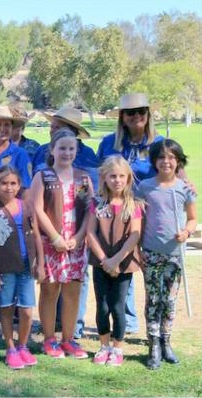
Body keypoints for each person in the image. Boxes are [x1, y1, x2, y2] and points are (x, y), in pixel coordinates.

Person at [97, 93, 164, 335]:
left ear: (148, 115)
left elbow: (172, 169)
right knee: (120, 260)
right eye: (131, 112)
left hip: (149, 212)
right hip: (115, 212)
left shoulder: (158, 142)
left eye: (141, 111)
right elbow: (100, 175)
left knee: (145, 265)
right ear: (122, 117)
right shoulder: (109, 143)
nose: (137, 116)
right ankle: (126, 320)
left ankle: (153, 328)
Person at [32, 106, 99, 339]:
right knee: (50, 291)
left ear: (76, 149)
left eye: (71, 148)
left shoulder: (83, 178)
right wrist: (55, 237)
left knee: (72, 292)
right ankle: (50, 338)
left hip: (76, 242)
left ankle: (69, 340)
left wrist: (80, 237)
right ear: (52, 149)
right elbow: (37, 209)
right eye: (62, 148)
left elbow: (91, 209)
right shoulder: (43, 176)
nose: (67, 153)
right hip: (52, 241)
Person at [136, 139, 197, 370]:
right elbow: (137, 222)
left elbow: (192, 218)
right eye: (161, 157)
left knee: (169, 300)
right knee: (153, 299)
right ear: (154, 161)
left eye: (171, 157)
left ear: (179, 161)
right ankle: (153, 345)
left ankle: (166, 340)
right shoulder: (145, 187)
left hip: (175, 254)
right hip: (152, 253)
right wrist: (137, 249)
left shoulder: (185, 189)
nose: (166, 161)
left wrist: (187, 231)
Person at [0, 166, 42, 369]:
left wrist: (40, 263)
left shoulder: (26, 206)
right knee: (6, 308)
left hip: (26, 266)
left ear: (19, 185)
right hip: (4, 267)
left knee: (26, 310)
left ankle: (23, 346)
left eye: (13, 183)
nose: (9, 187)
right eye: (4, 183)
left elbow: (36, 235)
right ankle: (10, 347)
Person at [85, 156, 143, 367]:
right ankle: (104, 346)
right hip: (101, 262)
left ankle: (117, 348)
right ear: (104, 178)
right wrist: (104, 260)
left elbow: (135, 235)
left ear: (128, 179)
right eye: (113, 176)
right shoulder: (97, 203)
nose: (117, 180)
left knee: (118, 307)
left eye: (121, 176)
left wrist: (116, 260)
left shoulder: (133, 205)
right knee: (102, 306)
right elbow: (91, 233)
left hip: (124, 264)